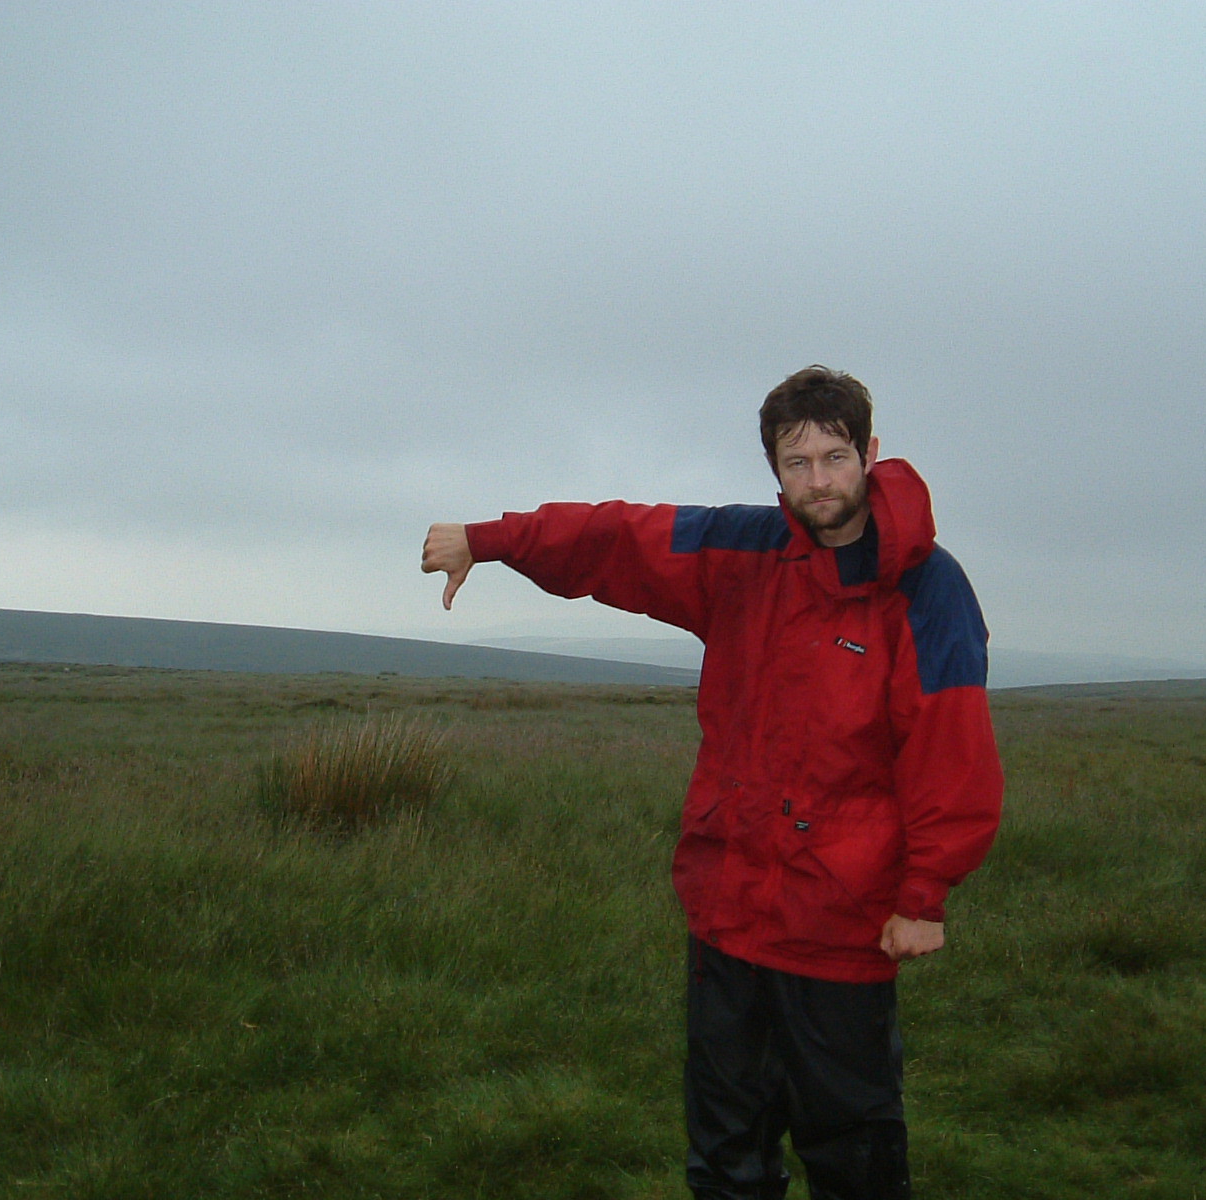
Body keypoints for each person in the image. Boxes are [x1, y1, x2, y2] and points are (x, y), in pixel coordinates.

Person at [421, 366, 1003, 1200]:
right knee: (726, 1153)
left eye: (835, 458)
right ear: (774, 469)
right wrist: (491, 539)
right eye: (796, 463)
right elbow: (618, 538)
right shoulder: (745, 554)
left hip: (840, 930)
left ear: (869, 454)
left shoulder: (924, 587)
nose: (818, 482)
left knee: (854, 1155)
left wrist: (924, 894)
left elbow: (952, 749)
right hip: (727, 915)